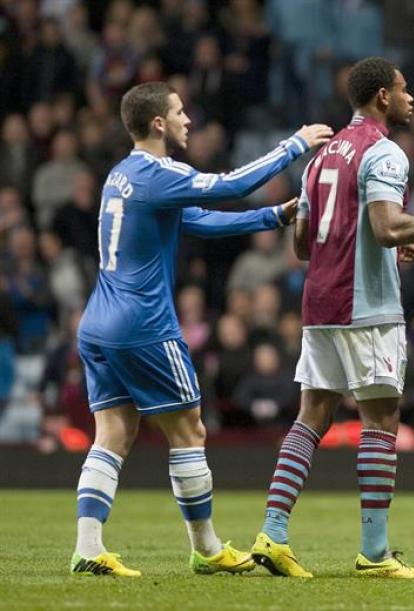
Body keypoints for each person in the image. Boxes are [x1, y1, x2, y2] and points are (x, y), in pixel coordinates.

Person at [71, 80, 331, 577]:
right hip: (142, 325)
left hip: (98, 323)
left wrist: (274, 216)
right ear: (157, 124)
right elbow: (230, 185)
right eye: (180, 111)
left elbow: (197, 221)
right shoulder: (159, 172)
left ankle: (88, 547)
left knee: (113, 433)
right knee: (189, 430)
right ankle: (208, 549)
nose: (188, 119)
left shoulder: (121, 175)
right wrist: (293, 146)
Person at [250, 57, 414, 580]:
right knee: (380, 421)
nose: (410, 99)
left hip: (319, 304)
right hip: (368, 309)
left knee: (311, 416)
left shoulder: (317, 159)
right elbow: (383, 226)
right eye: (403, 91)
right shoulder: (384, 153)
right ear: (382, 96)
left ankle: (273, 532)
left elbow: (305, 244)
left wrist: (397, 242)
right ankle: (374, 554)